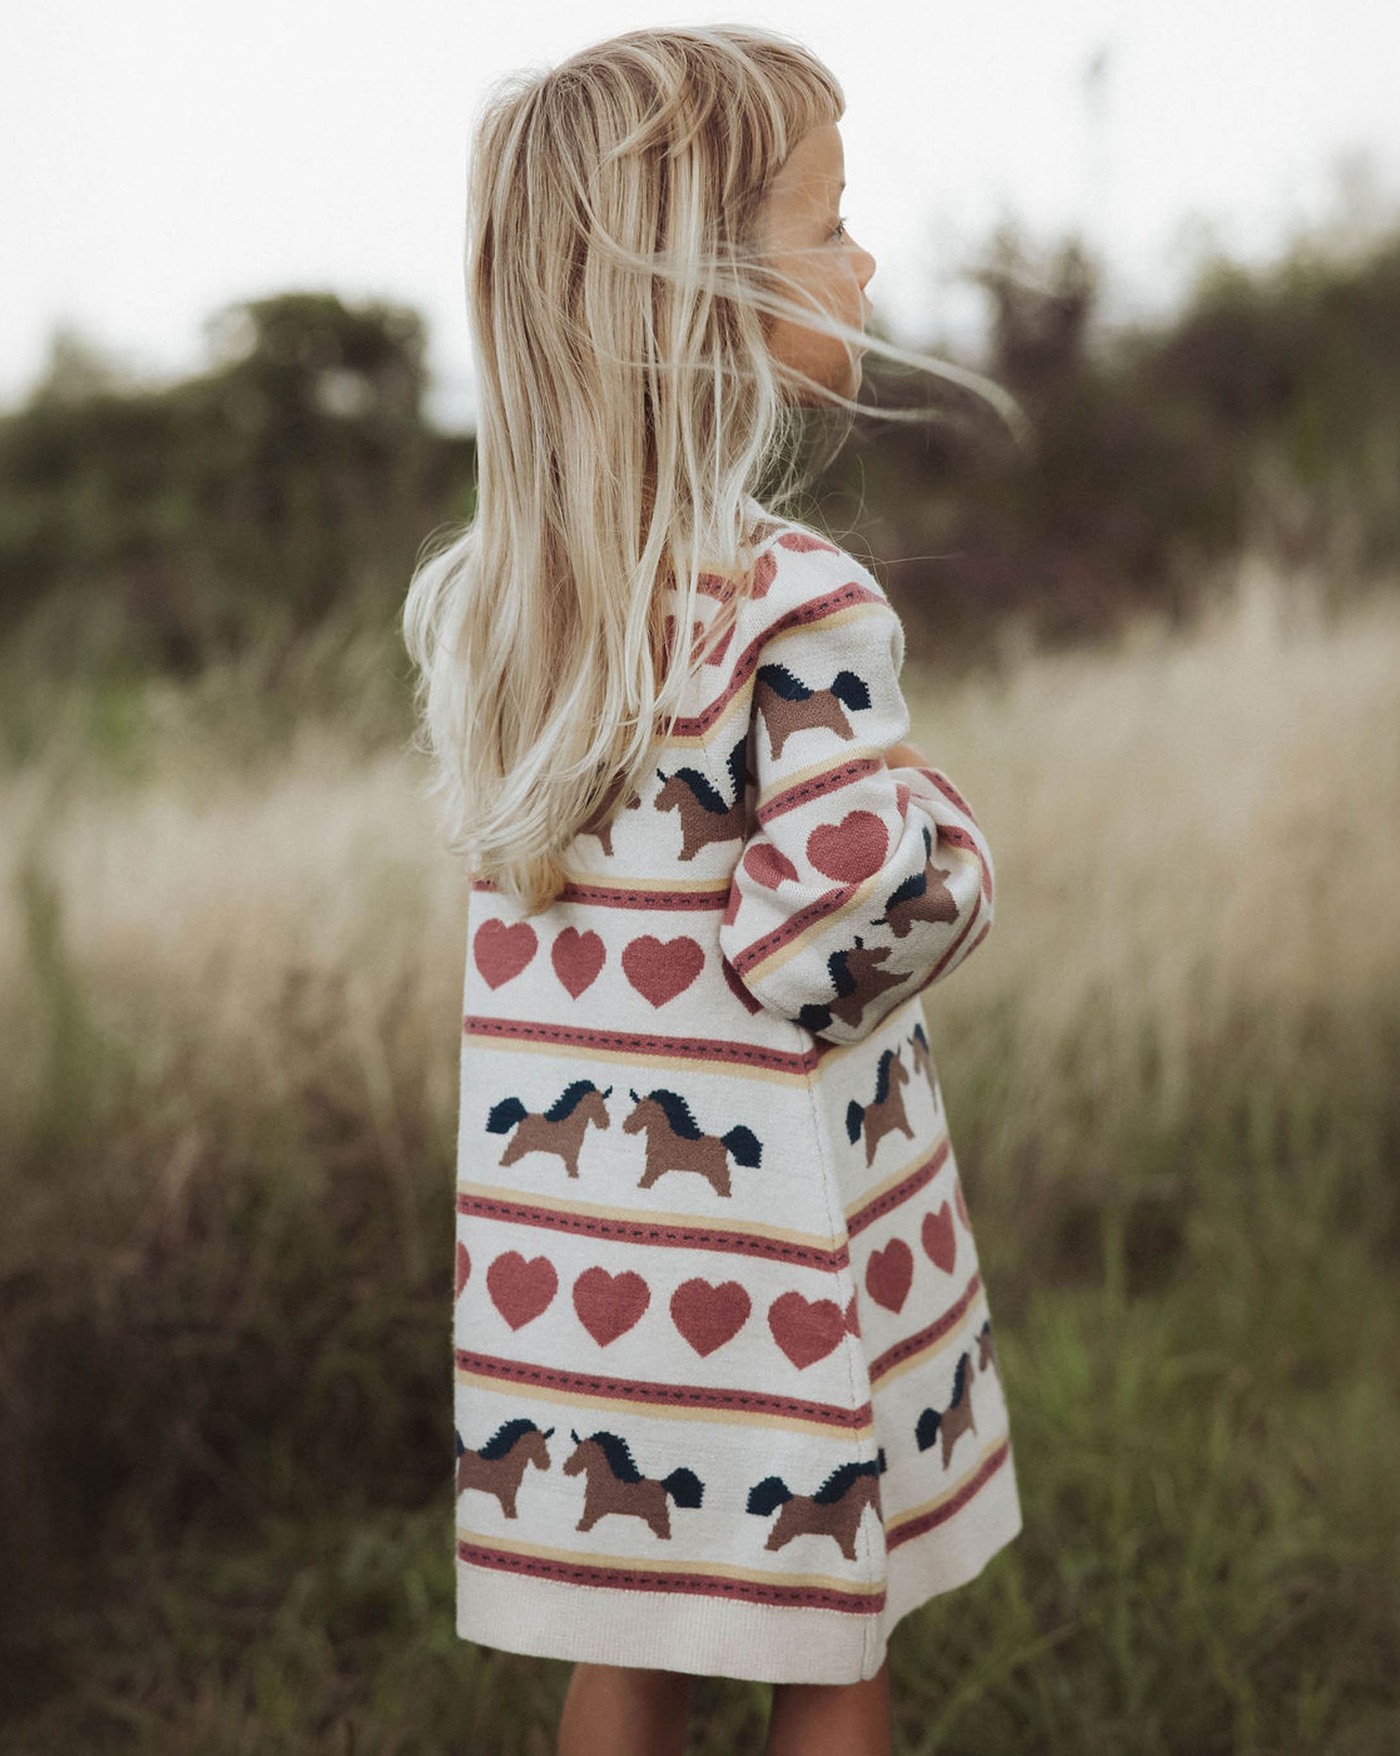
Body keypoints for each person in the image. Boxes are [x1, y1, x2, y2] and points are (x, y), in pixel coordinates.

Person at [401, 24, 1024, 1756]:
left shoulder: (495, 612)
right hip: (774, 1266)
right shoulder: (787, 602)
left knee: (634, 1634)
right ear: (702, 288)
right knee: (831, 1643)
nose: (866, 262)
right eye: (833, 222)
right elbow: (838, 933)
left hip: (576, 1288)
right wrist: (947, 832)